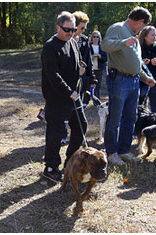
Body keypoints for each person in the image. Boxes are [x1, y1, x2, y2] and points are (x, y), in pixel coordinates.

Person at [102, 6, 156, 166]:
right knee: (115, 118)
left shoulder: (134, 35)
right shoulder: (117, 28)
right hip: (119, 80)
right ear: (139, 21)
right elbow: (105, 45)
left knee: (130, 118)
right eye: (143, 26)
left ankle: (124, 150)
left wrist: (145, 78)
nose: (142, 29)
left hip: (134, 82)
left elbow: (136, 62)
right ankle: (111, 153)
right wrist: (124, 42)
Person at [41, 11, 87, 182]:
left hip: (74, 97)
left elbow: (78, 61)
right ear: (58, 27)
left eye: (73, 29)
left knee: (81, 125)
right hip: (57, 97)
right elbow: (53, 76)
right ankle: (50, 168)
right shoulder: (50, 47)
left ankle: (70, 162)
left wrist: (81, 67)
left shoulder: (73, 42)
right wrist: (69, 92)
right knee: (56, 133)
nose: (70, 33)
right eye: (67, 30)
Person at [138, 26, 156, 114]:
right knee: (140, 107)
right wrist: (142, 63)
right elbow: (133, 65)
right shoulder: (138, 49)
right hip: (142, 82)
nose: (154, 37)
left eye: (155, 35)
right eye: (152, 35)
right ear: (145, 36)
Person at [72, 11, 97, 107]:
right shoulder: (65, 40)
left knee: (78, 105)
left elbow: (88, 61)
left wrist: (92, 79)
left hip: (81, 79)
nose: (83, 30)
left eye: (84, 28)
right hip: (67, 79)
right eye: (82, 28)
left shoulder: (85, 40)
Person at [89, 31, 108, 100]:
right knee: (88, 84)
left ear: (99, 38)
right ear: (92, 38)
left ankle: (96, 99)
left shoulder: (102, 47)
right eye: (94, 37)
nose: (95, 38)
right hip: (90, 68)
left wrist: (100, 56)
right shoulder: (88, 47)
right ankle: (86, 100)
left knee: (98, 85)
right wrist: (91, 57)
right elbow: (85, 57)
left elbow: (105, 58)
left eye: (97, 37)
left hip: (99, 68)